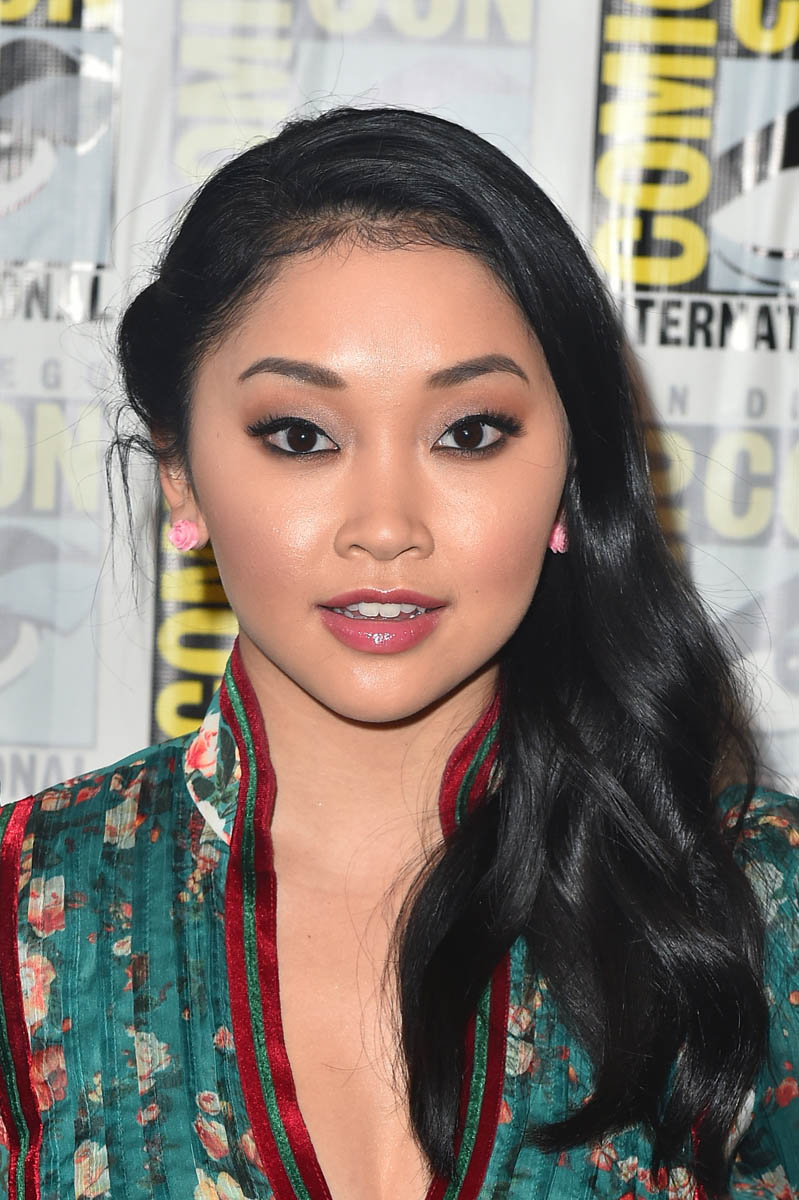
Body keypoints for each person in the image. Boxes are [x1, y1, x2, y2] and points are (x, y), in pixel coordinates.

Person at [0, 106, 797, 1200]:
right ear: (179, 472)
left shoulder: (755, 899)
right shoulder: (23, 904)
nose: (385, 528)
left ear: (571, 472)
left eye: (469, 433)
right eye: (300, 436)